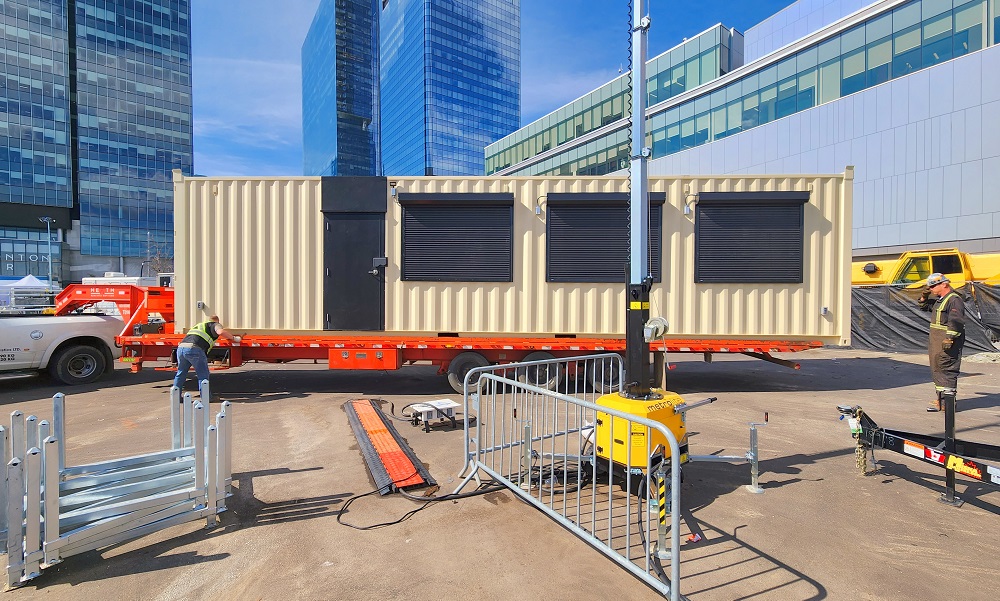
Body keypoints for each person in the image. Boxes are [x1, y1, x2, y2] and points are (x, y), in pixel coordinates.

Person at [917, 273, 965, 412]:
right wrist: (924, 296)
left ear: (944, 284)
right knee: (937, 369)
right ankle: (941, 401)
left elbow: (956, 320)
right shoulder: (940, 300)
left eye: (933, 286)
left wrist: (950, 338)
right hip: (936, 342)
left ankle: (949, 404)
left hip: (947, 342)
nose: (930, 288)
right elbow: (924, 306)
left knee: (947, 369)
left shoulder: (954, 300)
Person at [173, 315, 237, 392]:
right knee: (203, 374)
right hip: (194, 349)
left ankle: (176, 397)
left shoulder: (199, 325)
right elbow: (221, 332)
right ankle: (206, 398)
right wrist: (234, 338)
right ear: (217, 321)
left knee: (181, 373)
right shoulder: (214, 324)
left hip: (181, 348)